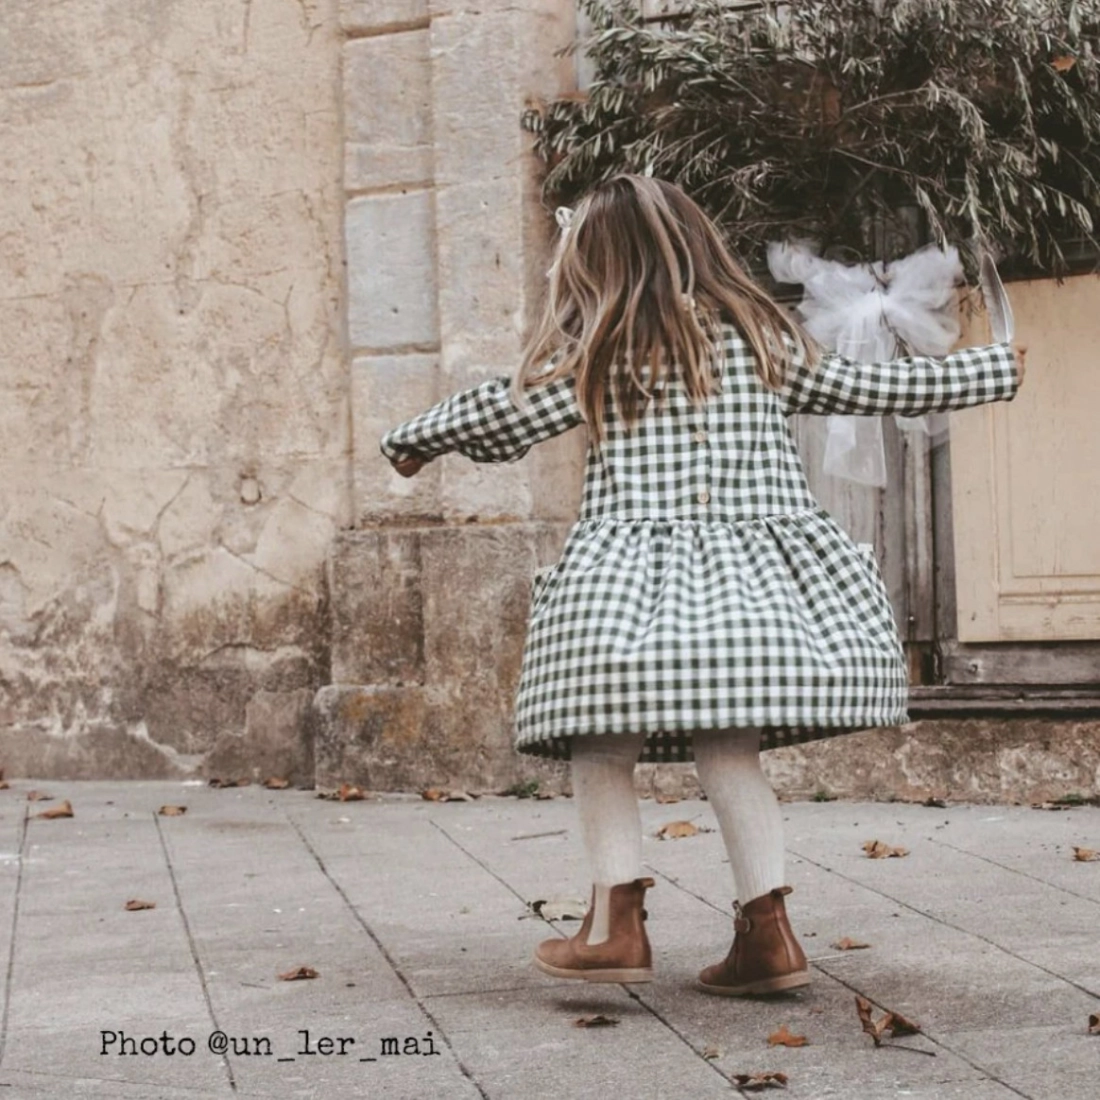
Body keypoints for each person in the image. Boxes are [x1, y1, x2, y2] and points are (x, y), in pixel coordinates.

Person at [380, 175, 1026, 996]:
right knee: (729, 748)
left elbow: (500, 411)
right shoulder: (762, 339)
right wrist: (992, 370)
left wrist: (412, 440)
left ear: (598, 265)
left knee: (599, 740)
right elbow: (878, 388)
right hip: (751, 589)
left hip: (628, 591)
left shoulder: (596, 352)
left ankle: (614, 926)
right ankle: (769, 937)